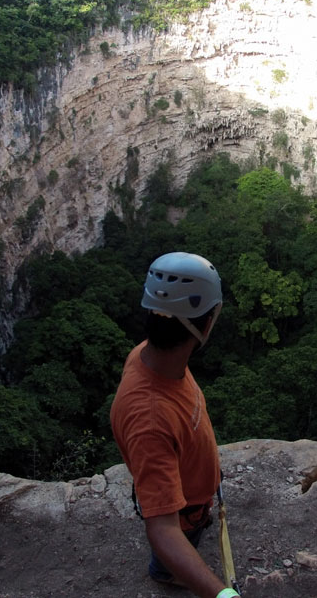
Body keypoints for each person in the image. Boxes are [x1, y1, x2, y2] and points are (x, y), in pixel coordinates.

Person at [110, 252, 239, 598]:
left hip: (194, 496)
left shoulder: (147, 356)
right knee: (169, 558)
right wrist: (223, 595)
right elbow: (163, 530)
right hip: (184, 514)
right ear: (206, 324)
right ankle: (165, 573)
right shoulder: (151, 420)